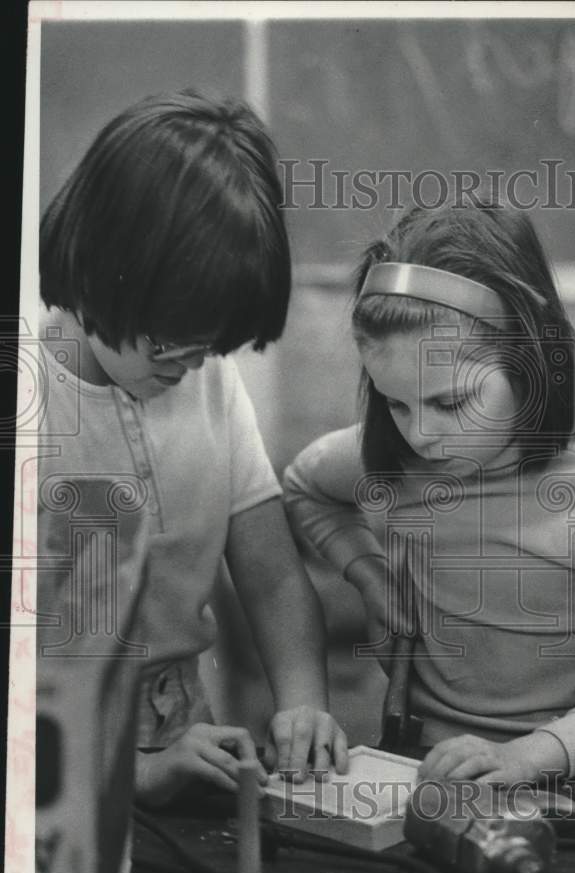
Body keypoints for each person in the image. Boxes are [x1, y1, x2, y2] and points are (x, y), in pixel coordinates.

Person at [37, 90, 348, 808]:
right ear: (99, 268)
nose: (189, 365)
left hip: (185, 734)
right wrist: (136, 774)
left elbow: (272, 580)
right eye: (170, 341)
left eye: (209, 345)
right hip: (54, 782)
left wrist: (302, 701)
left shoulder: (208, 382)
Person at [284, 201, 575, 785]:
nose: (422, 435)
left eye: (451, 403)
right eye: (396, 403)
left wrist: (525, 758)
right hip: (422, 777)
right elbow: (304, 488)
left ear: (530, 362)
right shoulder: (395, 458)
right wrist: (369, 572)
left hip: (573, 791)